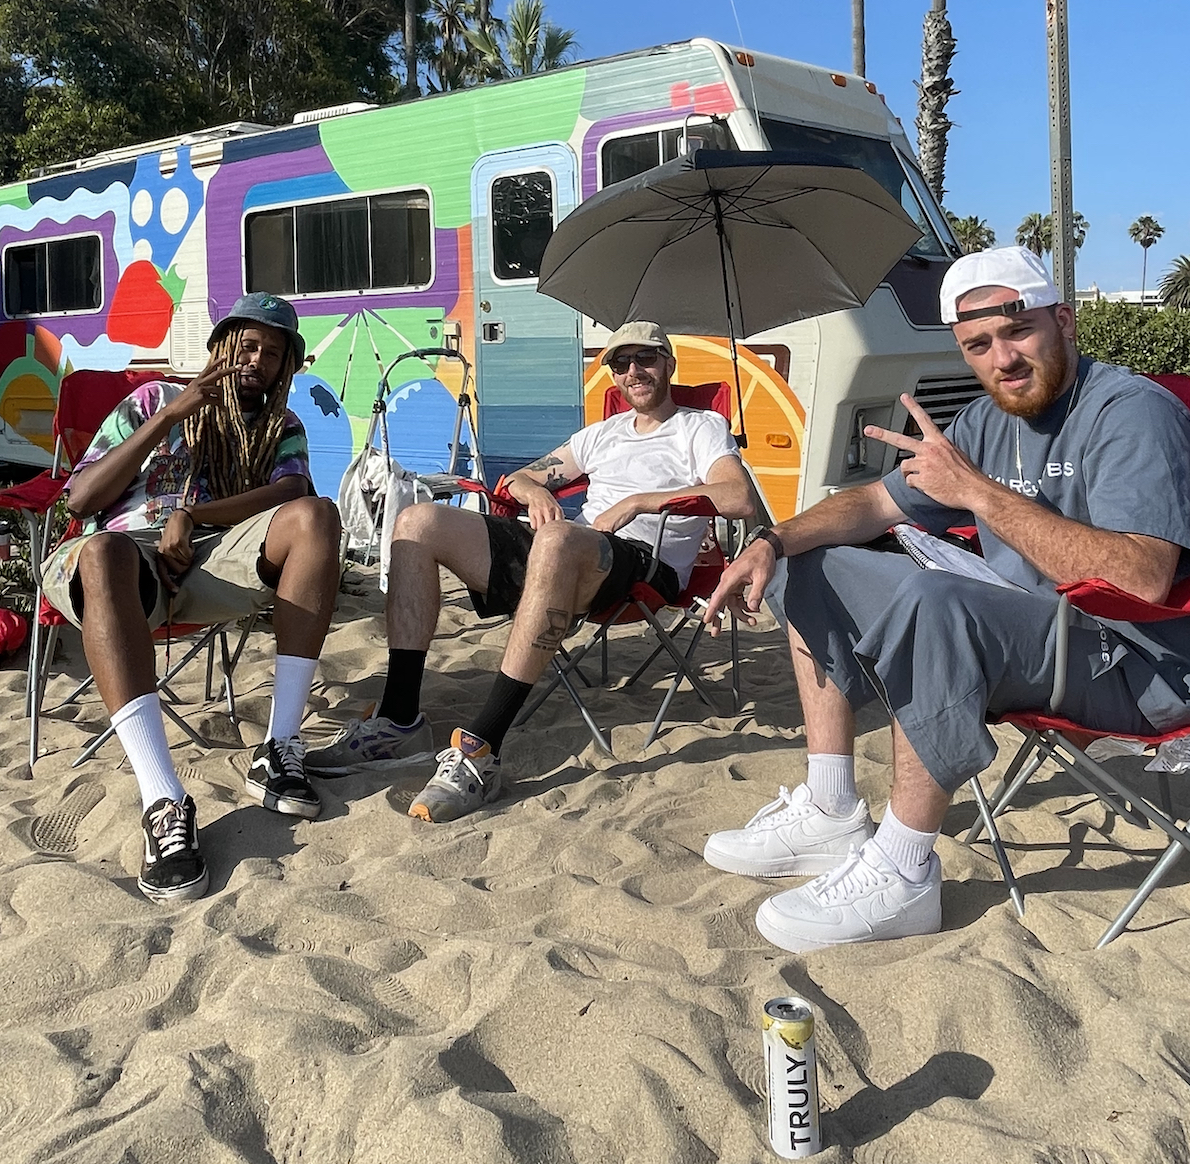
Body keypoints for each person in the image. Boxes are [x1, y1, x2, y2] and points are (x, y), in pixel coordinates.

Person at [700, 246, 1190, 949]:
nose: (1004, 358)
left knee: (939, 603)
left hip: (1141, 657)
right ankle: (832, 803)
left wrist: (975, 492)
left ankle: (904, 872)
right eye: (979, 345)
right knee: (808, 566)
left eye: (1019, 331)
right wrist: (771, 542)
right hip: (1036, 630)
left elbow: (1141, 578)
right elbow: (876, 500)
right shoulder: (985, 422)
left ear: (1063, 321)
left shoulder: (1132, 412)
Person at [308, 321, 757, 822]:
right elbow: (521, 477)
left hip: (640, 567)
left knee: (558, 538)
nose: (634, 371)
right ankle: (398, 719)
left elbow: (738, 498)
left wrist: (638, 502)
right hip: (567, 547)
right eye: (620, 363)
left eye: (646, 359)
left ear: (669, 364)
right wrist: (534, 491)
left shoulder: (700, 427)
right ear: (611, 375)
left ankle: (482, 748)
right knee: (417, 522)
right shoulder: (599, 435)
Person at [41, 293, 342, 903]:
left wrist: (192, 514)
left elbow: (288, 487)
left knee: (316, 515)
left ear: (286, 368)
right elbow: (79, 501)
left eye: (273, 353)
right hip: (123, 563)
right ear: (223, 347)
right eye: (248, 346)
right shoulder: (150, 400)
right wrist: (168, 417)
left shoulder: (280, 426)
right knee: (100, 555)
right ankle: (163, 801)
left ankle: (279, 748)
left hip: (212, 558)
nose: (257, 361)